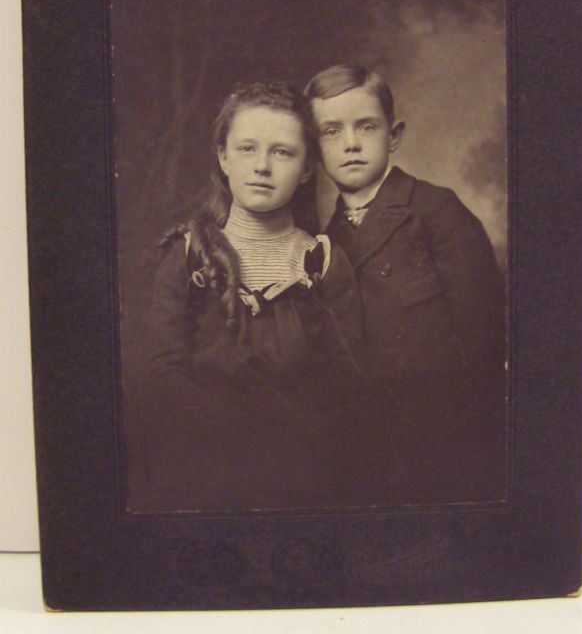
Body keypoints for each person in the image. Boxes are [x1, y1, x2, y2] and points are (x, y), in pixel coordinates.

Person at [135, 81, 376, 512]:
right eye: (247, 149)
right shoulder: (191, 255)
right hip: (202, 472)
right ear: (223, 157)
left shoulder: (321, 261)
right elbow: (163, 368)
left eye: (282, 152)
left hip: (303, 475)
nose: (262, 166)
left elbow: (347, 376)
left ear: (306, 169)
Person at [304, 64, 507, 504]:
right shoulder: (325, 239)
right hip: (369, 449)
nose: (351, 144)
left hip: (445, 442)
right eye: (332, 131)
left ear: (393, 136)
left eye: (366, 127)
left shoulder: (436, 210)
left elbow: (485, 338)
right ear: (316, 150)